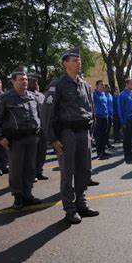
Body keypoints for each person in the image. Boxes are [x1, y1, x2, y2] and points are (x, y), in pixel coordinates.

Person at [41, 47, 99, 224]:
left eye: (79, 60)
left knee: (85, 170)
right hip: (67, 134)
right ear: (65, 63)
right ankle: (69, 209)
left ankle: (81, 204)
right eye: (74, 60)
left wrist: (91, 133)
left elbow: (91, 110)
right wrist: (53, 139)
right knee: (68, 173)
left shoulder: (85, 85)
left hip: (83, 133)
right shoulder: (56, 85)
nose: (78, 62)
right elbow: (47, 115)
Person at [0, 69, 42, 209]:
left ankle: (28, 194)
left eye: (25, 79)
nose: (24, 82)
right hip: (15, 140)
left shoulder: (33, 97)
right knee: (16, 169)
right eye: (21, 79)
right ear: (13, 81)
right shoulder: (5, 98)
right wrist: (0, 137)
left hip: (32, 138)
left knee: (30, 167)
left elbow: (39, 116)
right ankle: (18, 196)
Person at [28, 73, 49, 181]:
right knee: (32, 153)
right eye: (33, 82)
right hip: (32, 129)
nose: (35, 83)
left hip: (43, 128)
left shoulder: (41, 95)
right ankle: (31, 174)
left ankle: (39, 171)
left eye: (36, 81)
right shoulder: (26, 95)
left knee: (42, 152)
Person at [119, 79, 132, 163]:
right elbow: (120, 109)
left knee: (131, 138)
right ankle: (127, 155)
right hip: (126, 120)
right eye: (131, 83)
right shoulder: (122, 95)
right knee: (127, 139)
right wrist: (123, 122)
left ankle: (131, 153)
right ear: (126, 84)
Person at [93, 80, 110, 160]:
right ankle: (99, 153)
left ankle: (103, 151)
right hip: (98, 117)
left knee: (104, 135)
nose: (103, 86)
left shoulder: (104, 94)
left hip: (105, 117)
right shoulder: (94, 95)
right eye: (101, 85)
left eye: (103, 85)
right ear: (96, 86)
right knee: (98, 136)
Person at [104, 84, 115, 149]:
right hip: (105, 115)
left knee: (108, 130)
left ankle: (107, 142)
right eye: (107, 88)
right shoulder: (103, 95)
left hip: (110, 115)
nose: (108, 89)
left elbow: (111, 105)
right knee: (104, 131)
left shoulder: (110, 96)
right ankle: (104, 143)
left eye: (109, 87)